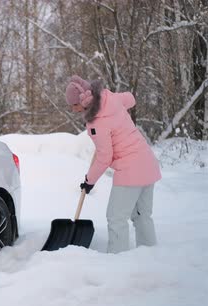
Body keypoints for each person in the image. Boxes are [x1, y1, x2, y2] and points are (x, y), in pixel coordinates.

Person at [65, 75, 162, 253]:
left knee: (116, 218)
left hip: (130, 170)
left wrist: (90, 180)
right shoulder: (110, 97)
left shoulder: (95, 123)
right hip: (148, 163)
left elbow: (104, 157)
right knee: (142, 216)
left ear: (82, 101)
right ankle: (150, 256)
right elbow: (131, 99)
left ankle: (117, 262)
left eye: (73, 105)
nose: (72, 109)